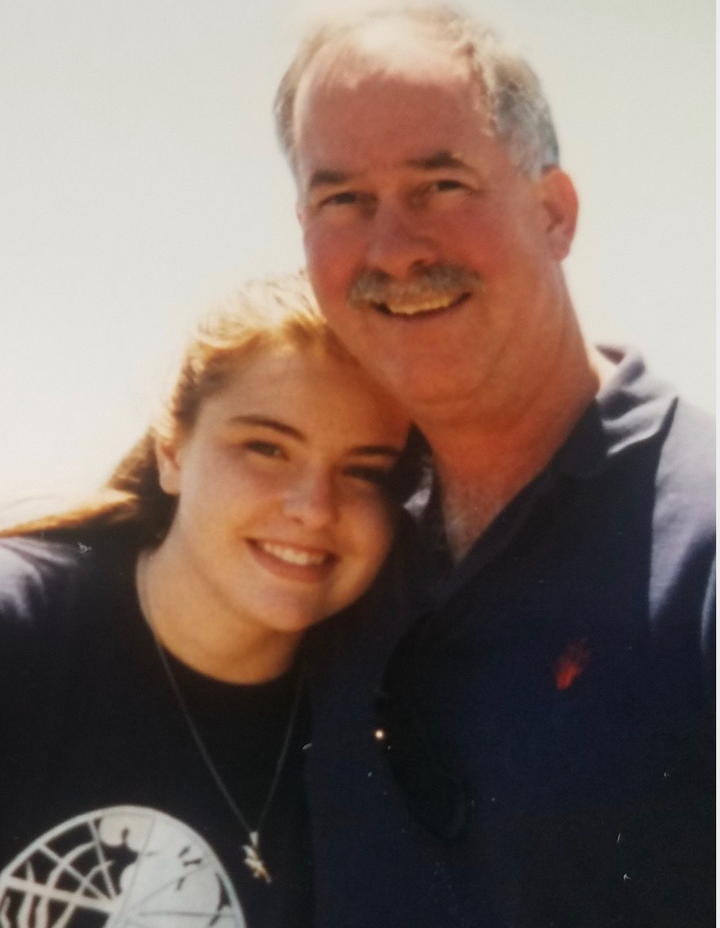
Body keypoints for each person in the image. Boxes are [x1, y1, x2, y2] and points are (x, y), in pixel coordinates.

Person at [274, 7, 715, 927]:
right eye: (343, 199)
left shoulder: (698, 551)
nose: (394, 249)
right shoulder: (314, 544)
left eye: (439, 184)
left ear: (554, 213)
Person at [0, 271, 416, 928]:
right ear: (172, 450)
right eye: (267, 447)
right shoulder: (20, 629)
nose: (314, 508)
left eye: (364, 471)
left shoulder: (386, 733)